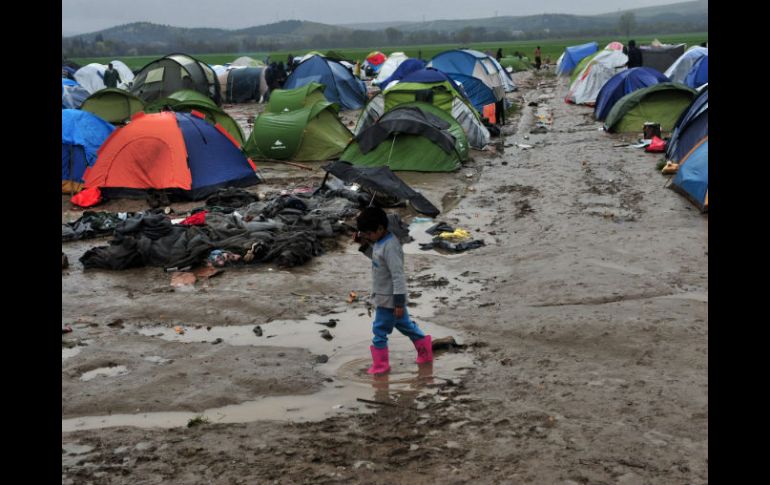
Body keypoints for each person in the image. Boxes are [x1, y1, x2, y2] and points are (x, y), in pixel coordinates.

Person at [355, 207, 433, 375]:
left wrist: (398, 303)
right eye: (364, 234)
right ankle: (425, 354)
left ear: (381, 229)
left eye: (368, 234)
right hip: (385, 298)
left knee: (379, 332)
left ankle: (381, 366)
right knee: (407, 327)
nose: (367, 237)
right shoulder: (379, 242)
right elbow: (378, 261)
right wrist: (364, 245)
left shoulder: (391, 247)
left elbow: (398, 277)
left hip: (389, 301)